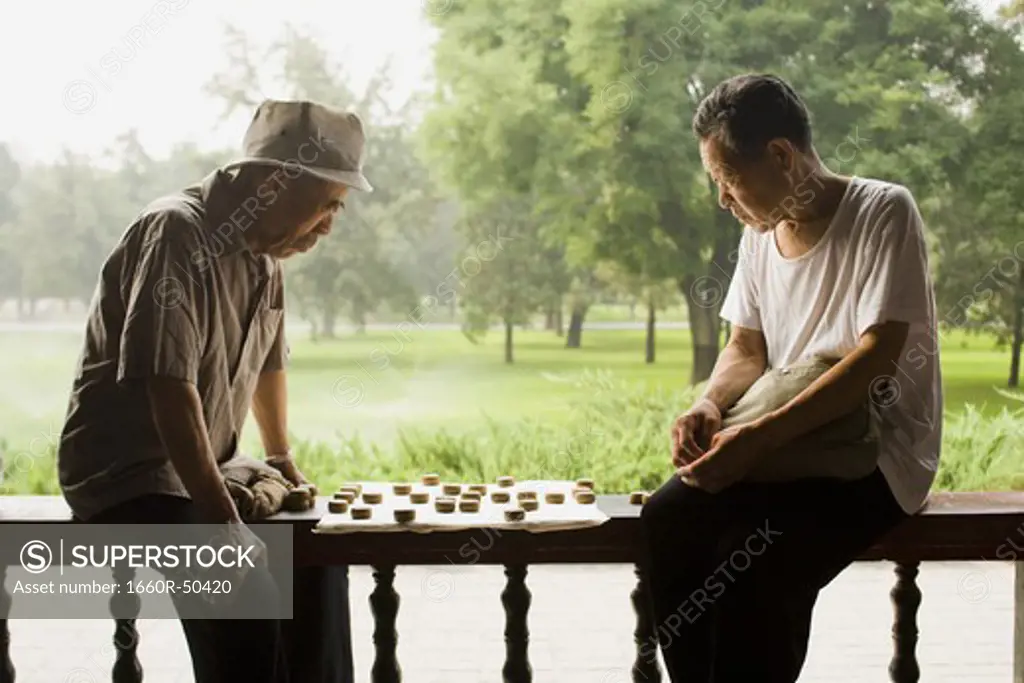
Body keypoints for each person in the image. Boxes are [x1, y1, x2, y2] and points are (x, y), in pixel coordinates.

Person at [57, 99, 372, 683]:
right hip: (129, 476)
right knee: (240, 584)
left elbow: (270, 363)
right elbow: (167, 384)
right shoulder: (175, 231)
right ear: (277, 182)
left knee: (317, 559)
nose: (330, 224)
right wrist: (221, 518)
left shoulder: (265, 253)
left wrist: (280, 458)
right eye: (327, 204)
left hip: (204, 470)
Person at [640, 73, 942, 682]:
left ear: (780, 155)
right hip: (784, 445)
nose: (722, 199)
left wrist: (759, 439)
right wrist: (711, 405)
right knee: (667, 521)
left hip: (874, 454)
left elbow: (878, 354)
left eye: (727, 179)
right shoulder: (760, 236)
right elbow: (746, 348)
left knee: (755, 564)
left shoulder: (883, 209)